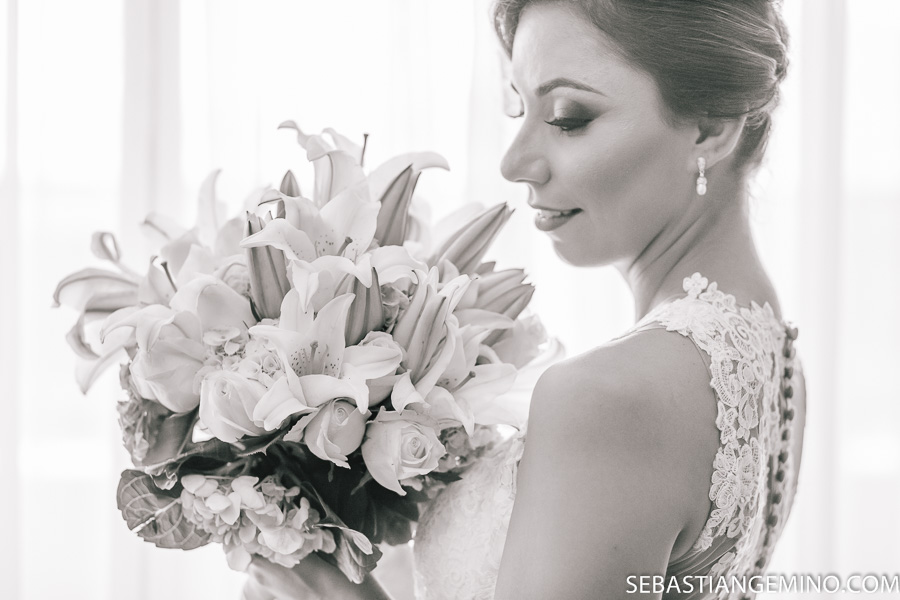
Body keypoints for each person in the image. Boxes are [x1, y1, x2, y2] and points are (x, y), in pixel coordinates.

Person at [244, 0, 806, 598]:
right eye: (518, 107)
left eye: (568, 118)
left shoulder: (608, 396)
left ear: (711, 128)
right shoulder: (772, 356)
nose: (514, 163)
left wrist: (333, 592)